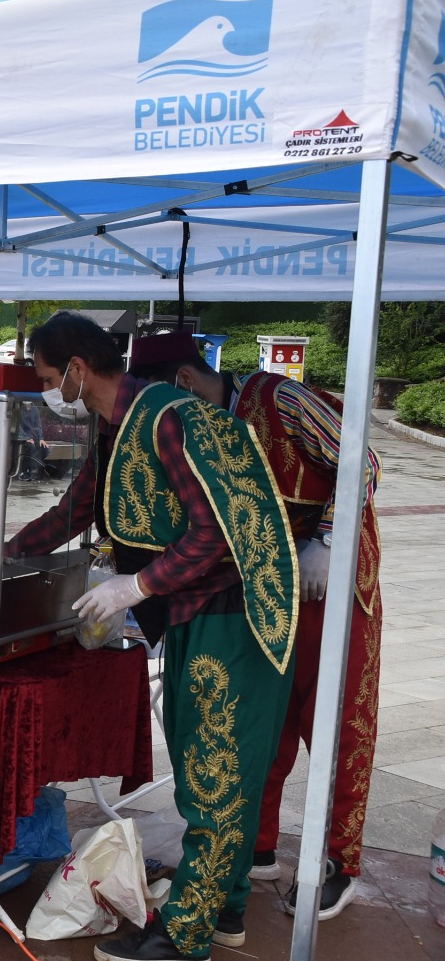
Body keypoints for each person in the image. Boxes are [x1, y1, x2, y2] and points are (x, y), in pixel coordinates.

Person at [0, 312, 298, 961]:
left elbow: (216, 530)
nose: (51, 390)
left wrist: (136, 586)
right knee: (206, 765)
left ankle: (184, 936)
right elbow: (72, 512)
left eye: (50, 378)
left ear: (78, 370)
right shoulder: (120, 428)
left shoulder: (168, 416)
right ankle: (226, 908)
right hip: (192, 609)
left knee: (214, 775)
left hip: (238, 613)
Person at [128, 331, 382, 921]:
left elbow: (361, 460)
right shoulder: (196, 429)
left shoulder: (282, 401)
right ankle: (257, 846)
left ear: (186, 383)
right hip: (266, 584)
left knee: (336, 720)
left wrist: (325, 540)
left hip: (332, 582)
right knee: (264, 719)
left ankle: (338, 861)